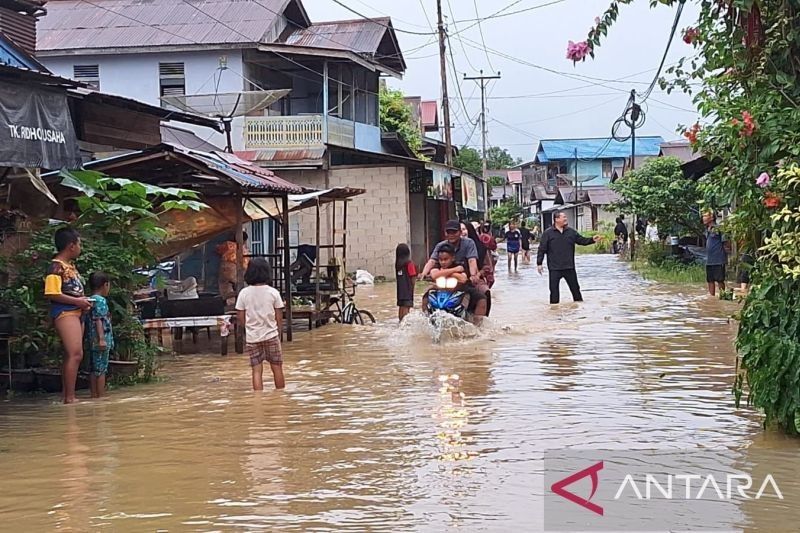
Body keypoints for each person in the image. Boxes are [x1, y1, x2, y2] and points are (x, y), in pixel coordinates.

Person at [44, 227, 93, 404]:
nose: (80, 248)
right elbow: (51, 293)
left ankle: (68, 395)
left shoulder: (68, 266)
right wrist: (78, 302)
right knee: (75, 354)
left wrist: (83, 302)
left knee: (73, 354)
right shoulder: (56, 266)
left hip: (75, 311)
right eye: (79, 244)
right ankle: (70, 398)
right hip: (66, 312)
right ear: (71, 246)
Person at [420, 220, 487, 323]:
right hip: (442, 284)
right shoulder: (441, 246)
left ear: (460, 232)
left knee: (481, 298)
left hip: (462, 283)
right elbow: (432, 262)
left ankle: (477, 326)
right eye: (448, 232)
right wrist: (424, 274)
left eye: (454, 232)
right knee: (425, 297)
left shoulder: (468, 243)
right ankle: (425, 321)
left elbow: (472, 260)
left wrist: (473, 275)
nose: (451, 235)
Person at [235, 258, 286, 390]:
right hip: (271, 335)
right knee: (277, 368)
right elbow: (279, 316)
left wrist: (248, 327)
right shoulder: (273, 293)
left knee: (256, 371)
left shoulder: (243, 293)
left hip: (253, 337)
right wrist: (278, 331)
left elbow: (240, 315)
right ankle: (281, 398)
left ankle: (258, 400)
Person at [536, 211, 602, 304]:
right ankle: (554, 313)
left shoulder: (571, 232)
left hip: (569, 267)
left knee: (576, 291)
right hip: (555, 268)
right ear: (557, 219)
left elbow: (581, 240)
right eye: (564, 217)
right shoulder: (548, 233)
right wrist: (539, 263)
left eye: (566, 217)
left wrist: (592, 240)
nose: (566, 219)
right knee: (554, 293)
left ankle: (579, 311)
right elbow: (542, 249)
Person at [85, 272, 113, 399]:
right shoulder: (101, 301)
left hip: (91, 339)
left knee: (93, 369)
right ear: (105, 285)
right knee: (101, 369)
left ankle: (93, 395)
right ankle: (101, 397)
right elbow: (99, 320)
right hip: (101, 339)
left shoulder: (90, 300)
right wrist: (102, 339)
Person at [217, 231, 250, 305]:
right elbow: (246, 263)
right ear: (244, 240)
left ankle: (228, 302)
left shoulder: (227, 244)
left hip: (224, 267)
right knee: (239, 286)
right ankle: (238, 302)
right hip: (236, 269)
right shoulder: (242, 249)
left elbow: (218, 249)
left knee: (225, 288)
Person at [702, 211, 730, 296]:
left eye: (705, 216)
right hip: (709, 260)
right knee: (710, 280)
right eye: (703, 216)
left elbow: (726, 243)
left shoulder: (719, 229)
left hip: (718, 259)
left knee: (720, 280)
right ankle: (712, 298)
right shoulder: (707, 230)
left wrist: (726, 256)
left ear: (712, 217)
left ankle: (723, 296)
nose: (703, 218)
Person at [395, 243, 417, 322]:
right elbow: (413, 276)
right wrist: (412, 288)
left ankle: (400, 323)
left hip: (400, 292)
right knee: (406, 308)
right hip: (407, 290)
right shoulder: (409, 263)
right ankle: (405, 324)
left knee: (401, 307)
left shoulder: (398, 265)